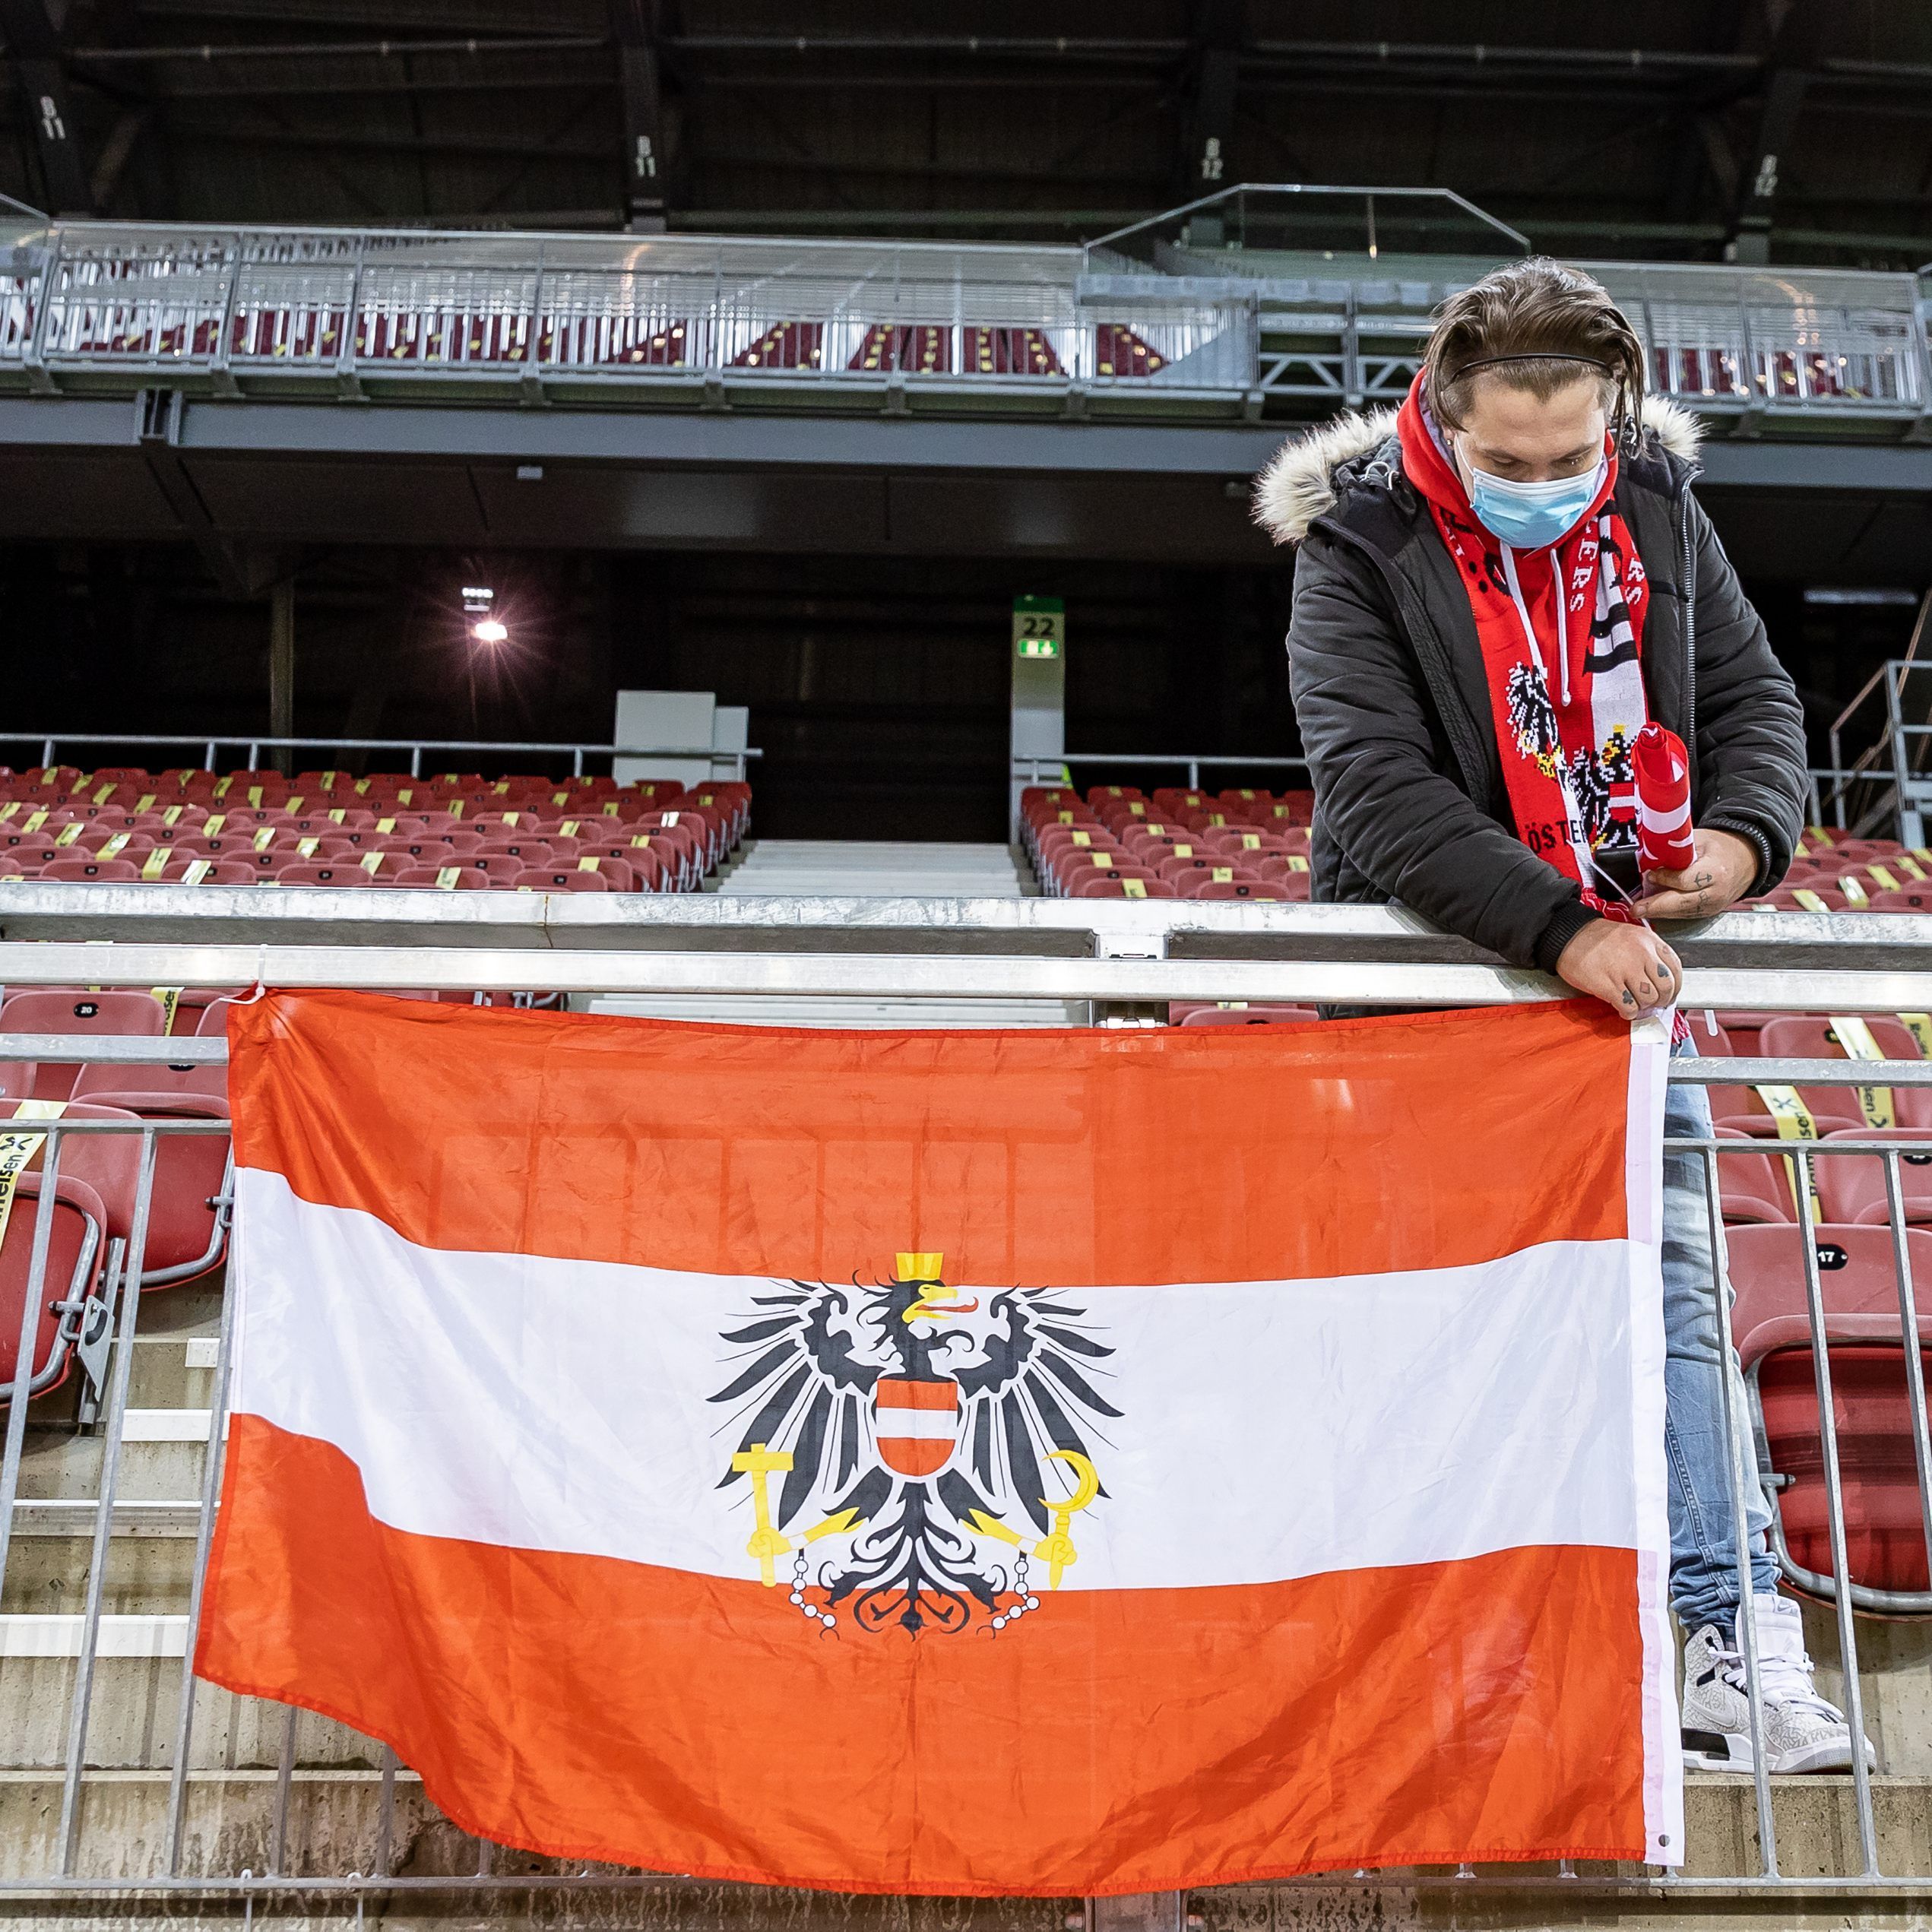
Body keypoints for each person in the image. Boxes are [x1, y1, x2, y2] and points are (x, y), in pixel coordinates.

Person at [1253, 256, 1872, 1775]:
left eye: (1566, 454)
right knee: (1438, 1323)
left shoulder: (1659, 512)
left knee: (1670, 1316)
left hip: (1621, 999)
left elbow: (1757, 709)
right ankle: (1437, 1662)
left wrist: (1739, 841)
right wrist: (1554, 928)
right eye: (1505, 461)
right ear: (1444, 418)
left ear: (1608, 414)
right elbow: (1372, 787)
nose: (1540, 481)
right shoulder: (1356, 545)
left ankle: (1732, 1643)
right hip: (1425, 994)